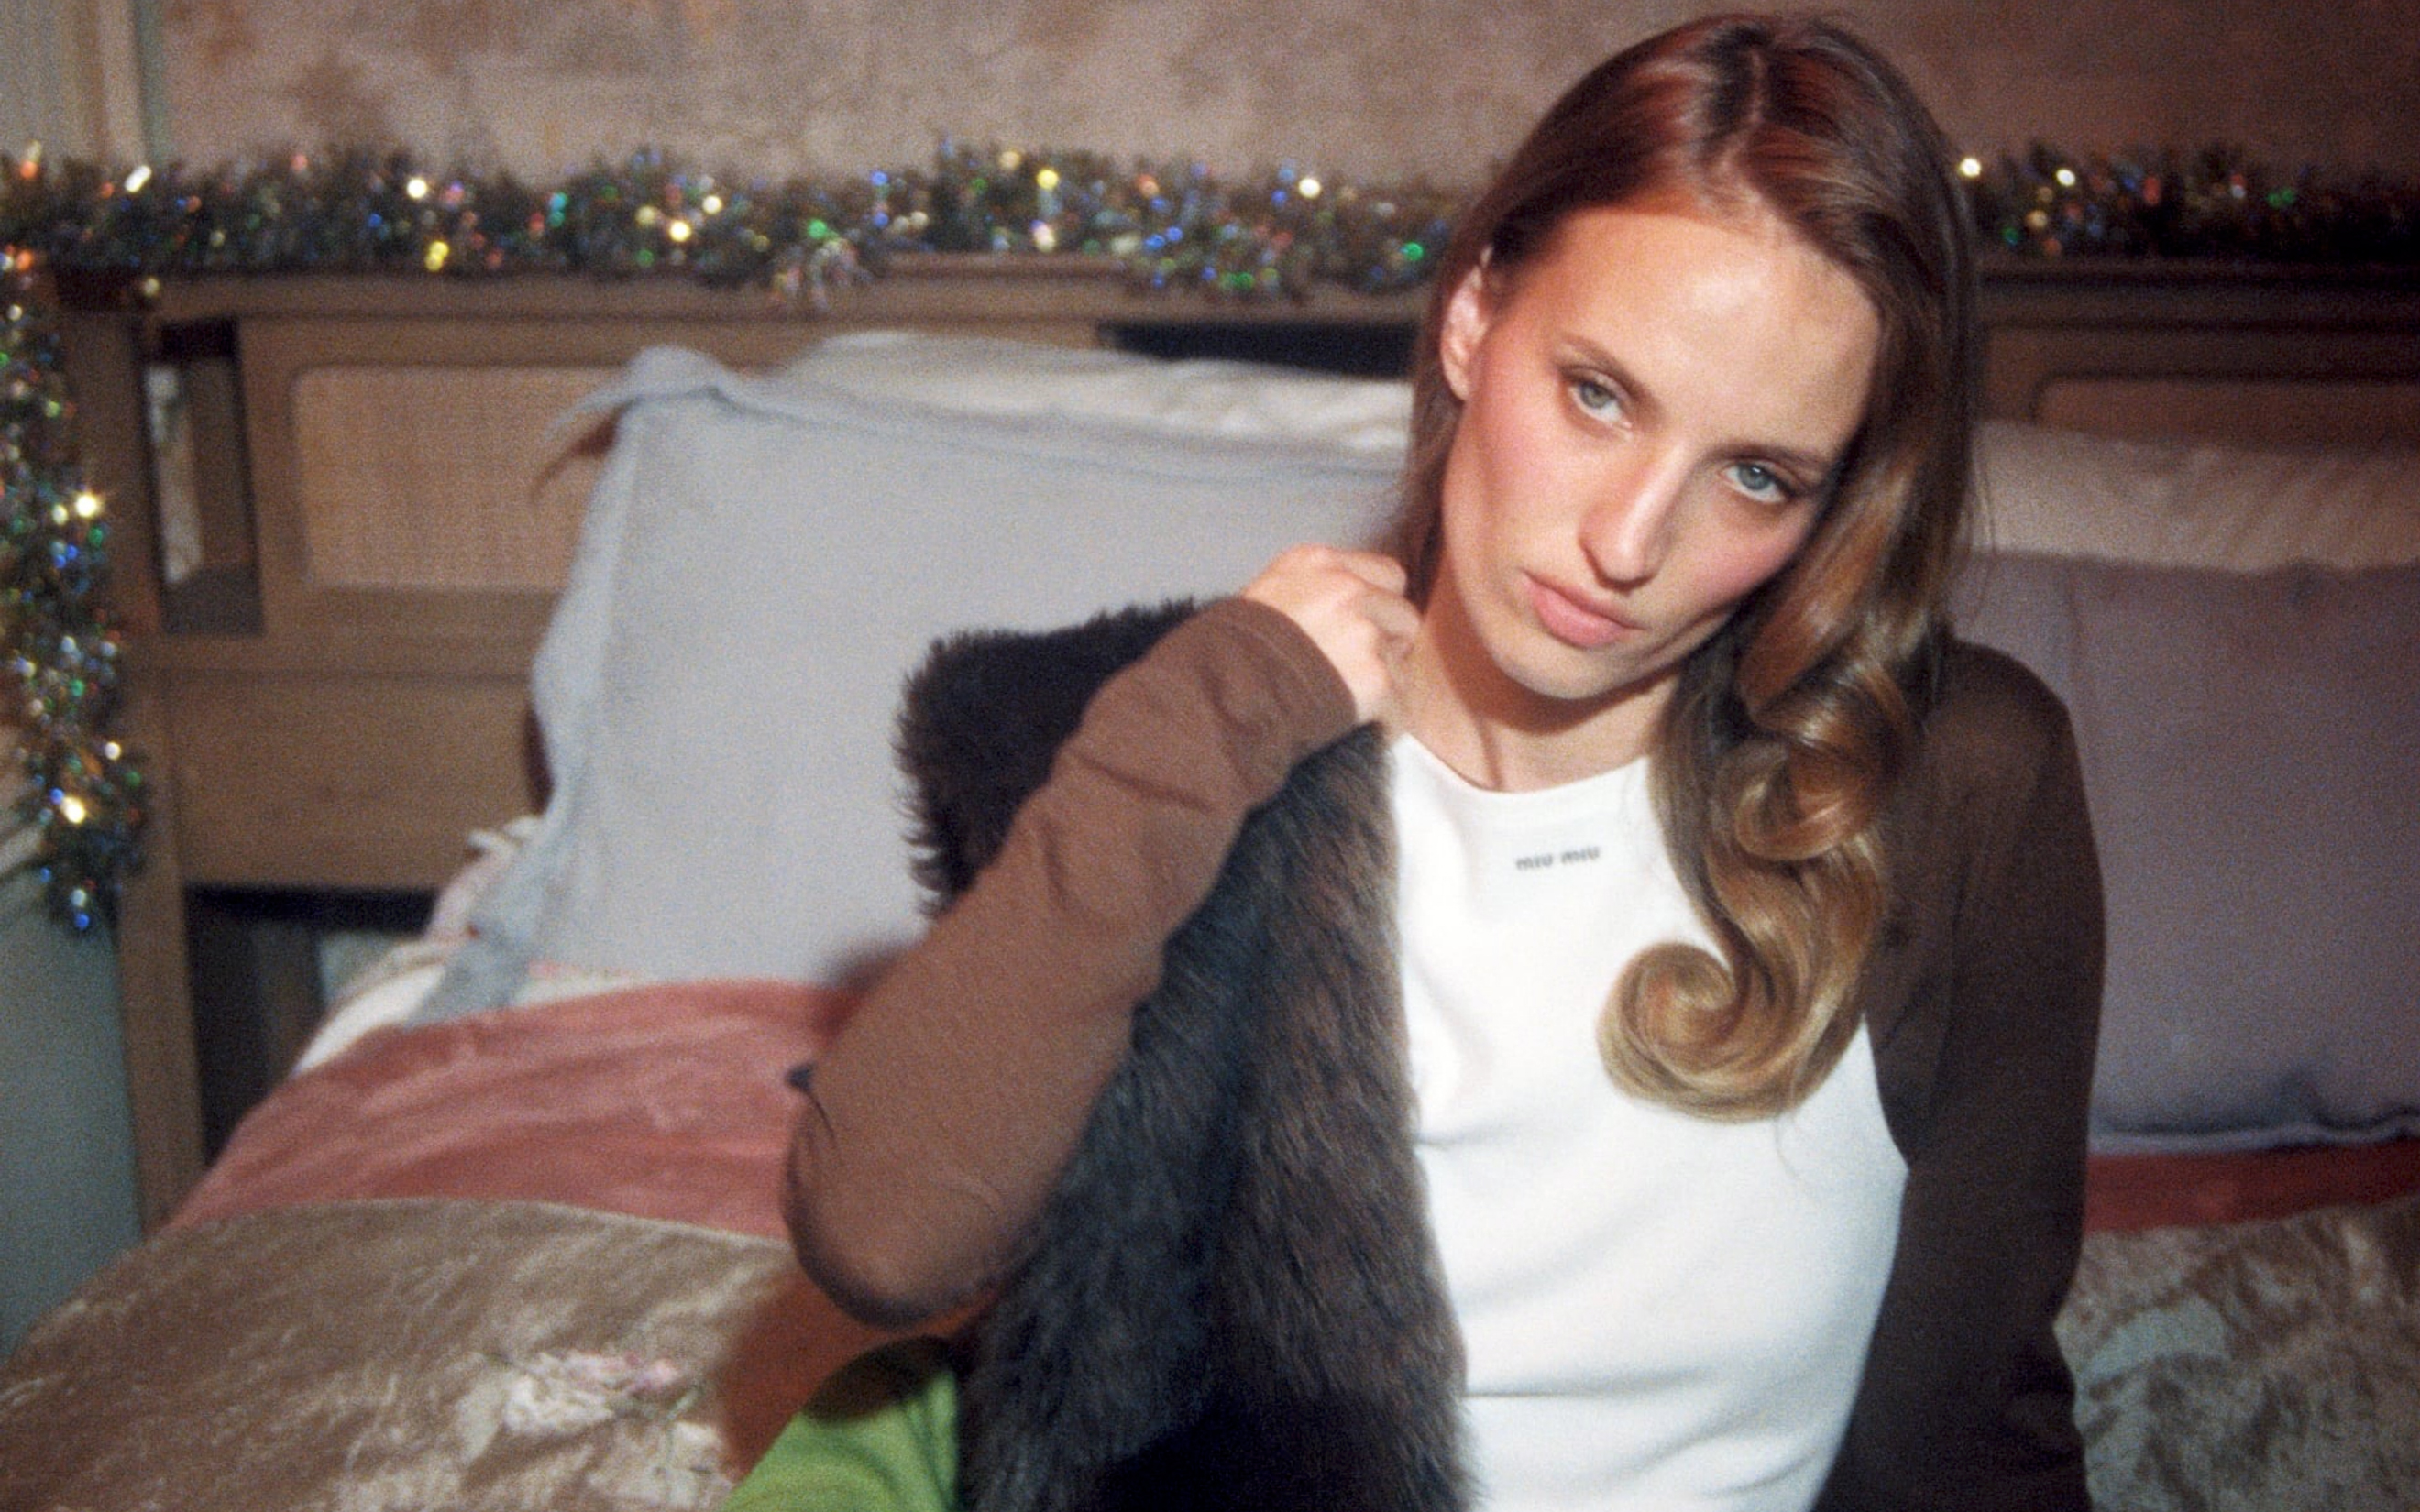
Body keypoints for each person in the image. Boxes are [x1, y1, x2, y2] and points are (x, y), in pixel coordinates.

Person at [758, 13, 2103, 1512]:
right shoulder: (1219, 746)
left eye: (1756, 474)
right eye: (1598, 393)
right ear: (1474, 315)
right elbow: (879, 1236)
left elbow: (1986, 1425)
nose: (1630, 541)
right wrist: (1207, 715)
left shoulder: (1951, 790)